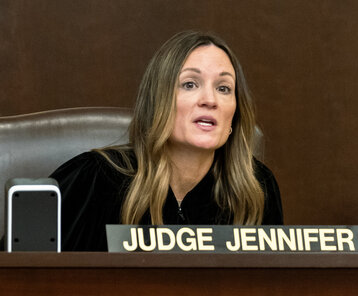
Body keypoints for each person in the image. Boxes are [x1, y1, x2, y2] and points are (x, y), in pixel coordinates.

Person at [51, 31, 283, 251]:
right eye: (190, 84)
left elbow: (272, 290)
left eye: (223, 88)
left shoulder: (257, 188)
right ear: (158, 101)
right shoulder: (94, 177)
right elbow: (30, 275)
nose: (210, 100)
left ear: (235, 113)